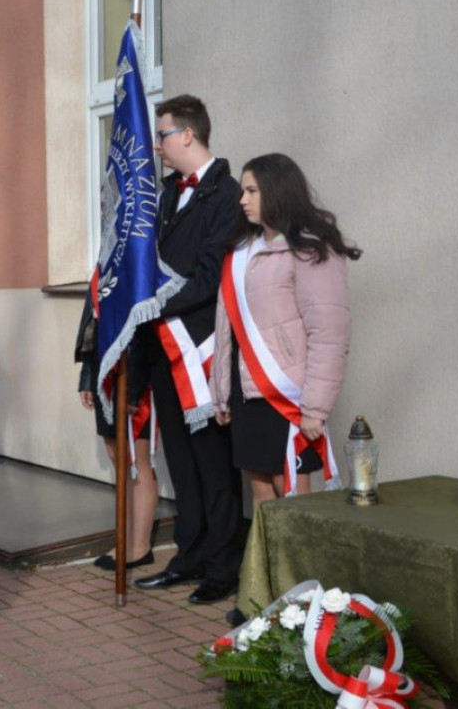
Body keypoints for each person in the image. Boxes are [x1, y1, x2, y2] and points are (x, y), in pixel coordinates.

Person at [131, 94, 245, 605]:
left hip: (201, 352)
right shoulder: (168, 191)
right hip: (163, 350)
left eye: (163, 136)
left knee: (214, 465)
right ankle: (190, 556)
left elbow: (208, 277)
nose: (157, 146)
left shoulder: (225, 193)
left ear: (188, 135)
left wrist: (151, 307)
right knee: (181, 461)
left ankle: (223, 567)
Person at [211, 153, 358, 506]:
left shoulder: (310, 249)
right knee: (260, 488)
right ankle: (269, 564)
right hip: (247, 393)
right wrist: (222, 391)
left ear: (277, 192)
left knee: (290, 491)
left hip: (287, 394)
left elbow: (329, 334)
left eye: (251, 191)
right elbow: (225, 327)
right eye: (242, 191)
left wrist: (314, 409)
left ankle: (298, 564)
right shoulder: (242, 250)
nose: (242, 200)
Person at [75, 297, 157, 570]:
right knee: (116, 453)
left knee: (136, 457)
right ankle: (126, 537)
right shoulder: (103, 267)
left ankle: (140, 545)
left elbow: (144, 324)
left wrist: (134, 386)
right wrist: (87, 375)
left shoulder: (136, 261)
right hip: (104, 368)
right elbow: (92, 320)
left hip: (133, 367)